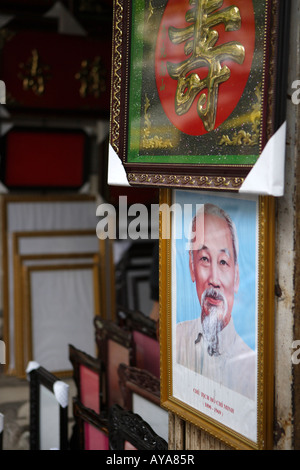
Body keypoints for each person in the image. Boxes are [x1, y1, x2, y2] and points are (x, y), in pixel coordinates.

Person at [176, 203, 256, 401]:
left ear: (236, 277)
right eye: (204, 259)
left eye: (223, 262)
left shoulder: (252, 368)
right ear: (192, 266)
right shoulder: (176, 339)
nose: (214, 279)